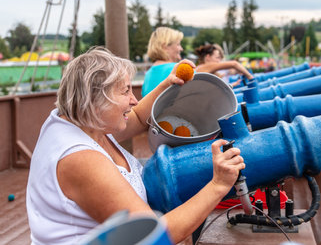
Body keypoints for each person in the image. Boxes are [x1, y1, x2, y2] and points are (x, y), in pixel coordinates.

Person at [26, 47, 245, 244]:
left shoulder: (81, 121)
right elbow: (153, 234)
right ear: (94, 98)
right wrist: (218, 184)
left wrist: (169, 83)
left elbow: (139, 117)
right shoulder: (81, 159)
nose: (133, 100)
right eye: (125, 91)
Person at [142, 26, 184, 97]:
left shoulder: (148, 74)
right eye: (178, 44)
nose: (181, 49)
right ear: (165, 47)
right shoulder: (179, 70)